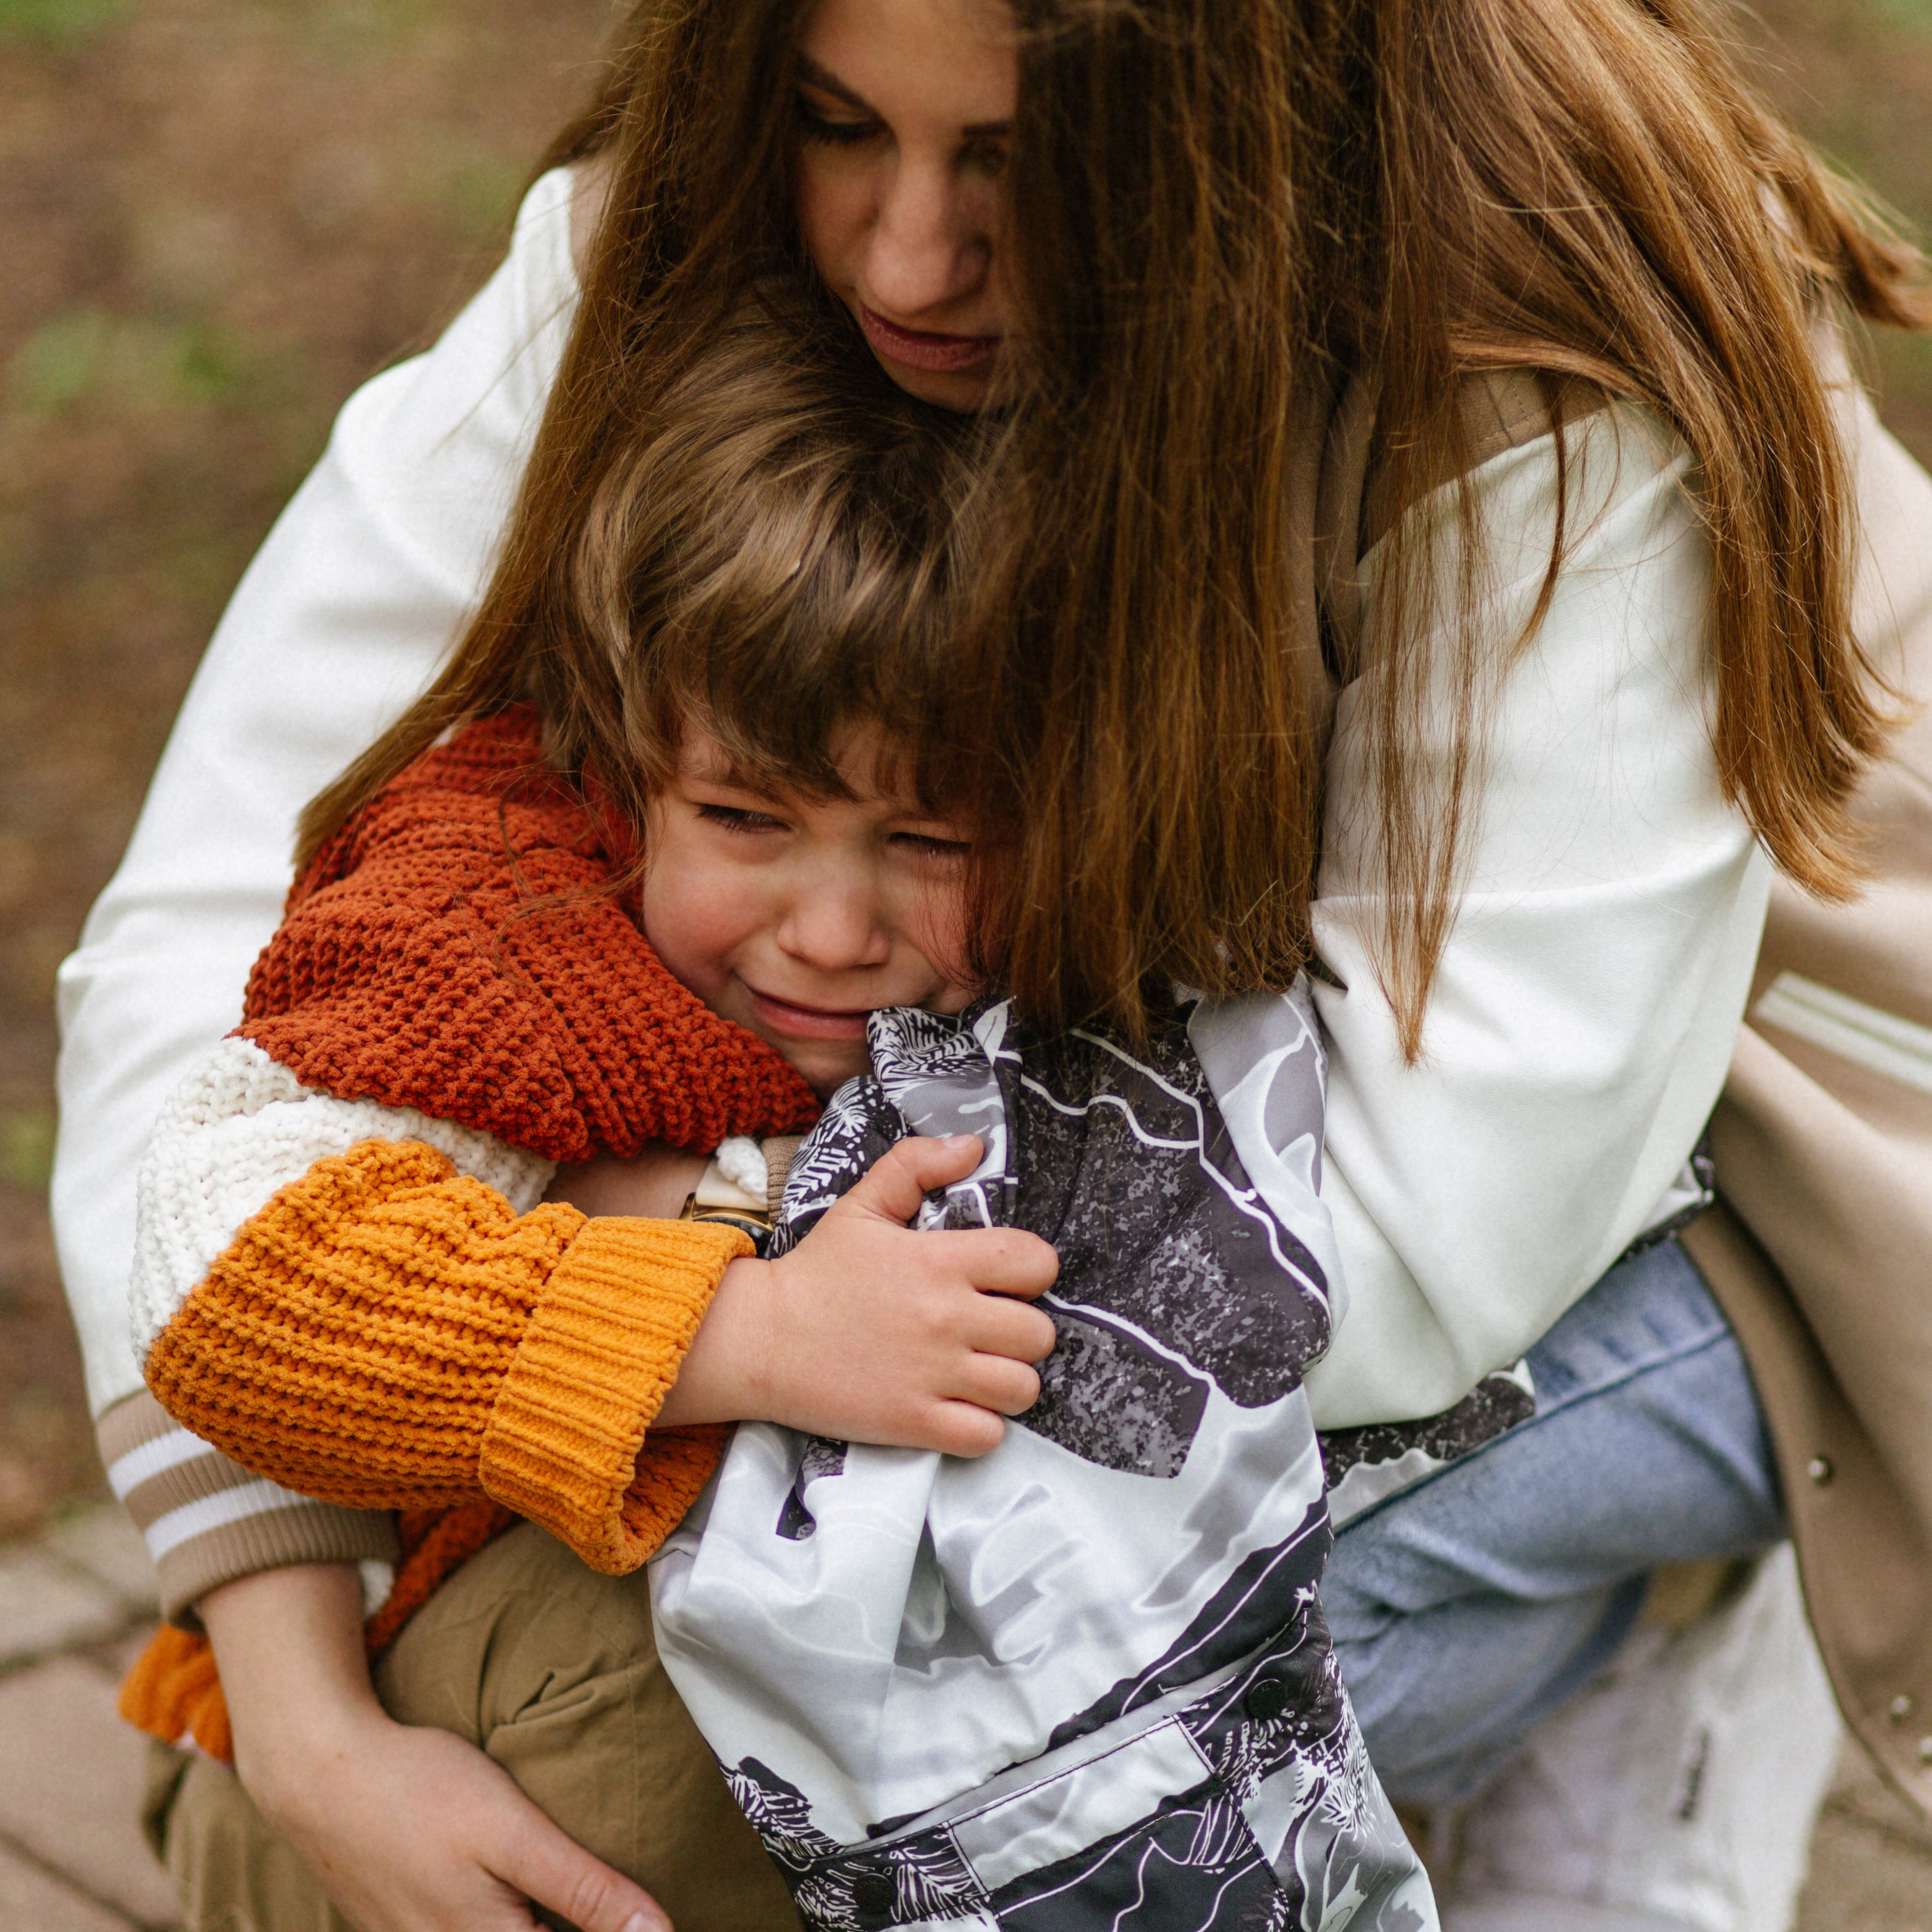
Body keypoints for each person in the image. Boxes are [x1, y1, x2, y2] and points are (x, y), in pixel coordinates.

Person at [53, 0, 1932, 1927]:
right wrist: (291, 1692)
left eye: (1019, 162)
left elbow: (1411, 1241)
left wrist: (663, 1250)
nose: (900, 257)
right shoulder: (687, 222)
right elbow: (218, 993)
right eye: (838, 122)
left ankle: (1634, 1613)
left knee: (716, 1790)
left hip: (1719, 1151)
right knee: (340, 1813)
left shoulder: (1546, 342)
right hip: (1039, 1124)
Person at [123, 303, 1428, 1930]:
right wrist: (738, 1324)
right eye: (745, 815)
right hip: (387, 1735)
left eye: (931, 838)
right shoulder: (504, 923)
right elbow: (218, 1271)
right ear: (619, 747)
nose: (825, 926)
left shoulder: (1086, 938)